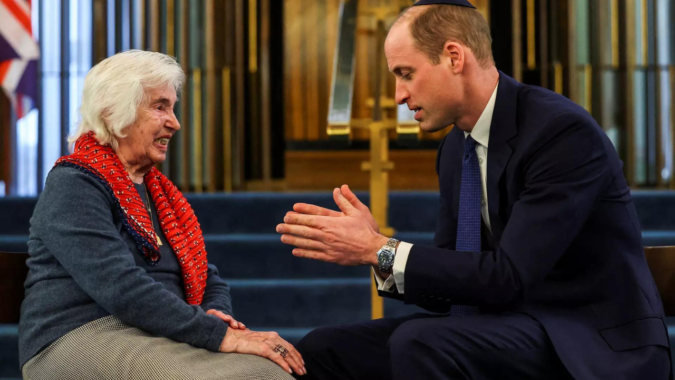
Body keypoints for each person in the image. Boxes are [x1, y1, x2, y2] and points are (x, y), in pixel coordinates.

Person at [275, 0, 671, 379]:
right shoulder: (455, 148)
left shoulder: (560, 132)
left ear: (453, 57)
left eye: (405, 73)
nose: (398, 95)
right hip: (505, 324)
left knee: (421, 343)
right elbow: (452, 282)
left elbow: (509, 277)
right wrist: (375, 252)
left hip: (584, 338)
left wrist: (378, 248)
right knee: (322, 349)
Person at [19, 50, 305, 379]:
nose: (175, 122)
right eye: (160, 106)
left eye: (172, 107)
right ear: (115, 112)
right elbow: (120, 288)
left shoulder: (160, 193)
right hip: (79, 333)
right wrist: (219, 336)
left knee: (268, 369)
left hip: (154, 330)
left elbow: (208, 277)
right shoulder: (74, 183)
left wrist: (217, 315)